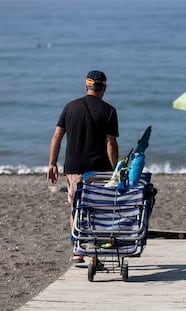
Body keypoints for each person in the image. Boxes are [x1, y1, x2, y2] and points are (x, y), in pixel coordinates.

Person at [47, 70, 119, 263]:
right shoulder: (109, 110)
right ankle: (94, 253)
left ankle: (78, 251)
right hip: (99, 169)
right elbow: (110, 143)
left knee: (76, 207)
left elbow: (57, 136)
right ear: (104, 87)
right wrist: (114, 171)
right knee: (97, 208)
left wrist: (52, 163)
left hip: (73, 168)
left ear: (86, 86)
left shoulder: (70, 107)